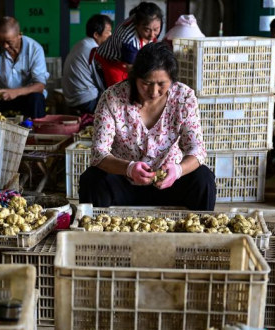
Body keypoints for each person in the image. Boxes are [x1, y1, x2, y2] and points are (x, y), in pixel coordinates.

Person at [79, 43, 215, 210]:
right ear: (135, 77)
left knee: (203, 178)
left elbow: (197, 149)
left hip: (168, 184)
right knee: (92, 178)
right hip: (125, 184)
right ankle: (95, 233)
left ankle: (201, 234)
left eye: (161, 84)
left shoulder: (184, 97)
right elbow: (99, 153)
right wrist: (129, 168)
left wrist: (178, 170)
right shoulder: (112, 98)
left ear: (171, 80)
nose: (153, 91)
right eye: (146, 83)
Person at [0, 17, 48, 119]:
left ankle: (35, 132)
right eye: (0, 41)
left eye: (9, 42)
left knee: (36, 98)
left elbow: (40, 86)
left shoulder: (35, 49)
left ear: (19, 35)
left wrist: (15, 92)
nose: (5, 46)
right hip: (4, 98)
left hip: (26, 97)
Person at [94, 2, 163, 88]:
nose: (152, 35)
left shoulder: (147, 18)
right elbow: (131, 70)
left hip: (126, 58)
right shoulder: (128, 41)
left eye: (156, 29)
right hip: (111, 62)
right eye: (147, 30)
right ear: (137, 25)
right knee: (119, 91)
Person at [62, 14, 113, 114]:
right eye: (108, 32)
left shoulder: (81, 44)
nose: (111, 35)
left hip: (71, 99)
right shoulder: (94, 50)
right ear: (96, 35)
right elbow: (102, 84)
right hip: (87, 101)